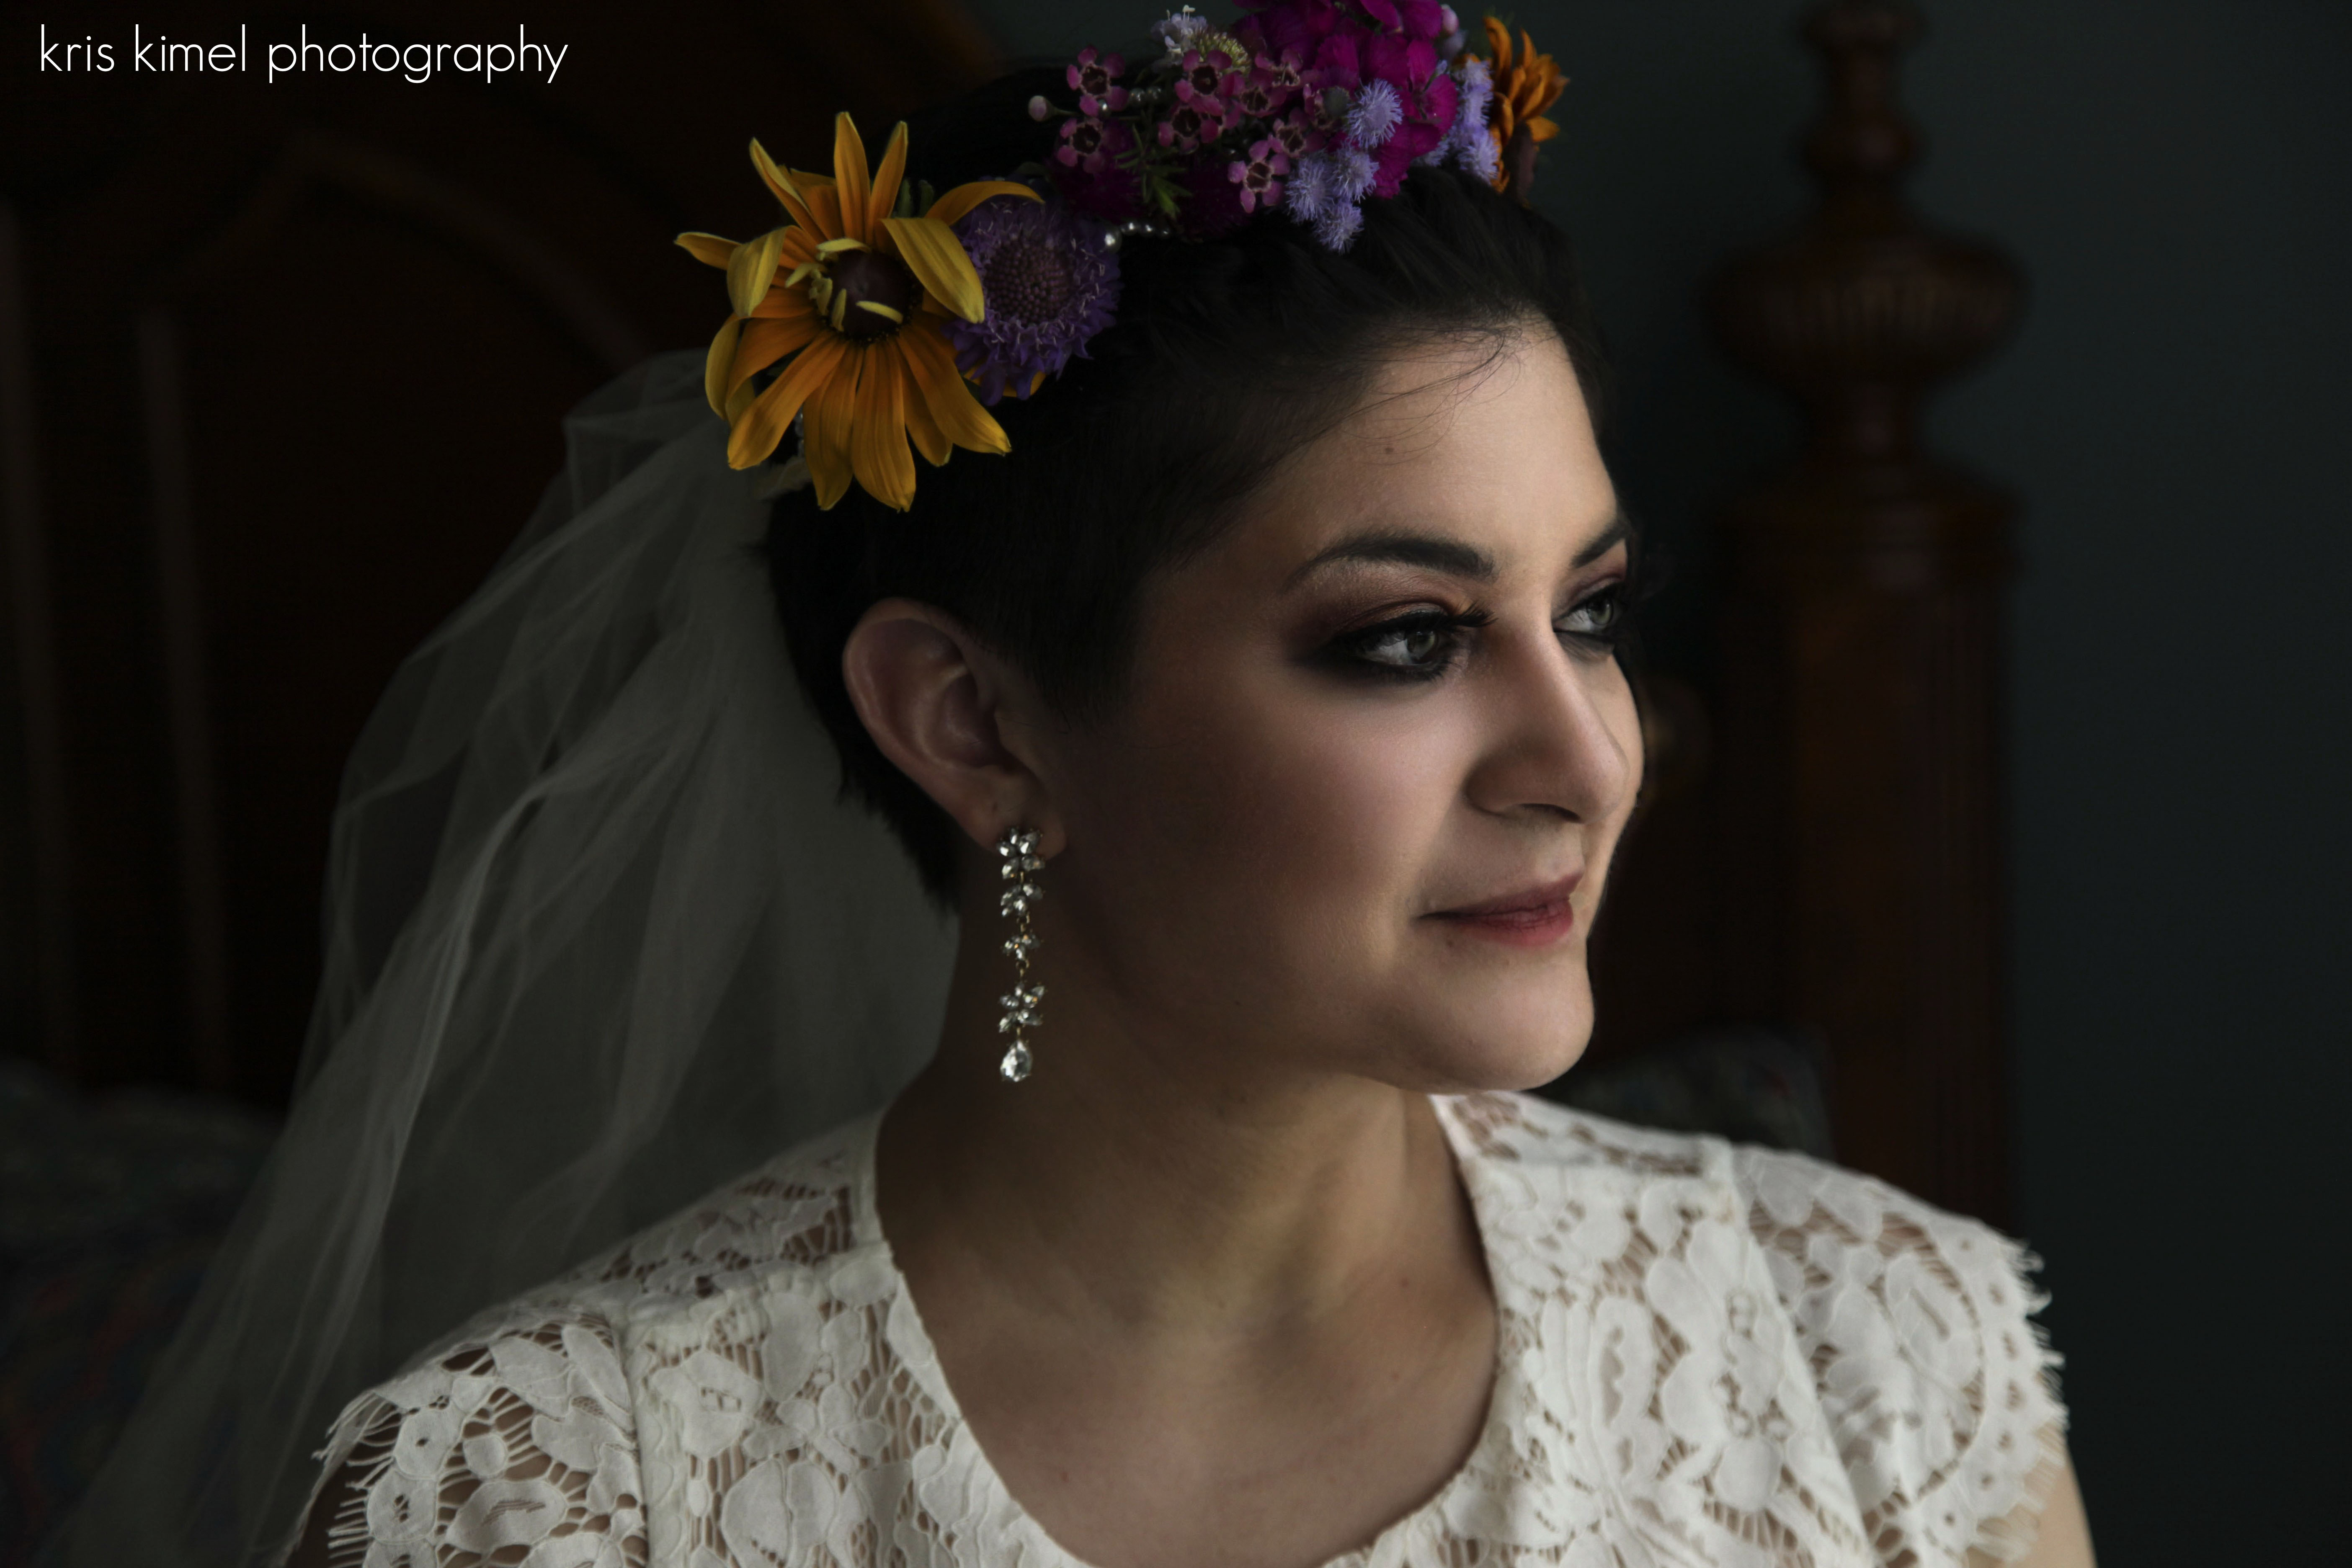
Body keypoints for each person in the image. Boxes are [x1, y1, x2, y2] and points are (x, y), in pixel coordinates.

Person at [53, 10, 2094, 1567]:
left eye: (1597, 610)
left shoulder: (1880, 1361)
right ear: (972, 722)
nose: (1586, 762)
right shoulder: (556, 1498)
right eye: (1403, 638)